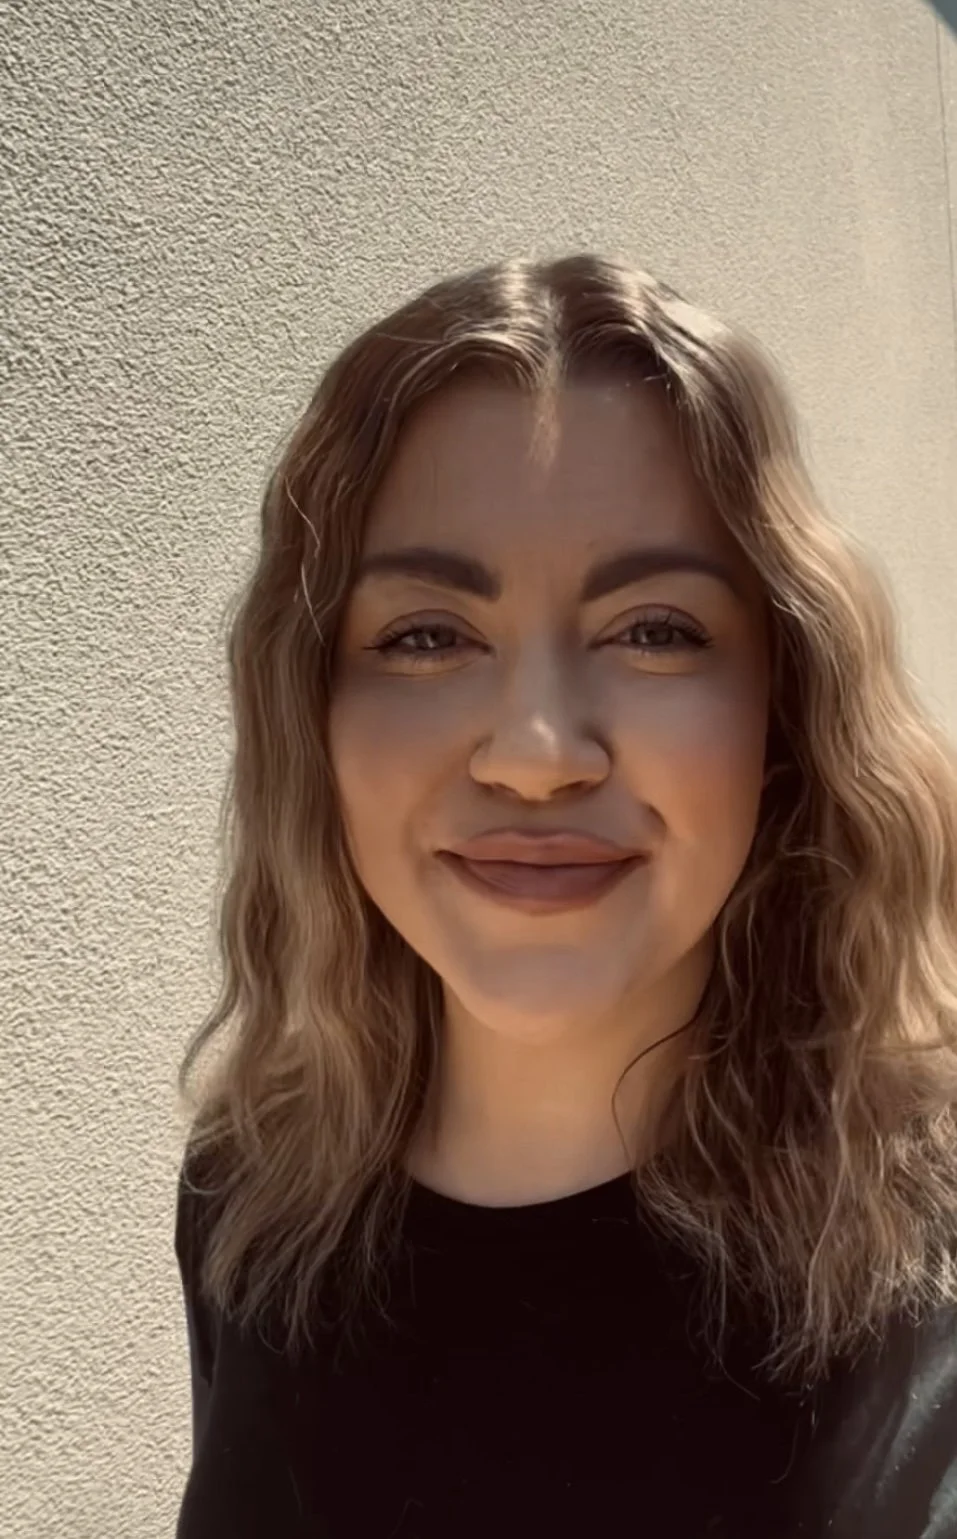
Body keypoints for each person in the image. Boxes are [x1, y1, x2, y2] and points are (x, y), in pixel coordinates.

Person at [173, 253, 957, 1539]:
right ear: (314, 715)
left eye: (654, 629)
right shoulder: (251, 1202)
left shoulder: (936, 1250)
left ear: (785, 709)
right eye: (426, 635)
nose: (536, 753)